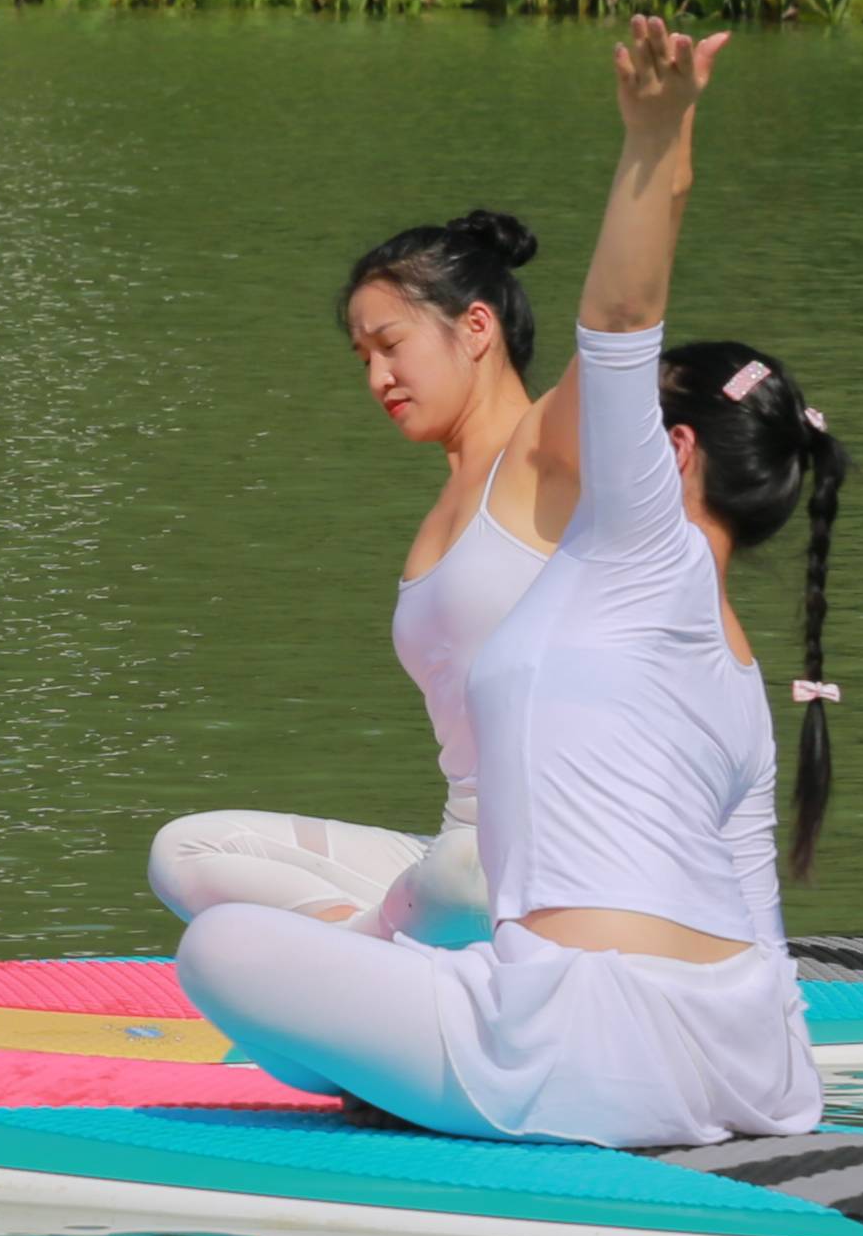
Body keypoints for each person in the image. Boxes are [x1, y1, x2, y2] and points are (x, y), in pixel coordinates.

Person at [178, 18, 847, 1151]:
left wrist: (657, 135)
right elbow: (759, 920)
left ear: (669, 454)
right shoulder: (739, 674)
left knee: (218, 952)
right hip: (752, 1061)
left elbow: (625, 318)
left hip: (571, 1046)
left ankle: (400, 1072)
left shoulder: (631, 542)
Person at [146, 209, 574, 943]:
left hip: (551, 865)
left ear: (476, 328)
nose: (378, 378)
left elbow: (627, 318)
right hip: (455, 860)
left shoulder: (552, 450)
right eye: (361, 358)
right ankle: (371, 946)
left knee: (458, 873)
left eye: (390, 345)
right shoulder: (443, 506)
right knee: (183, 850)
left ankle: (359, 956)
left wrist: (660, 147)